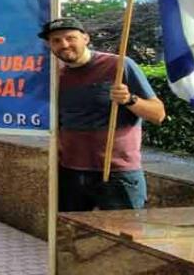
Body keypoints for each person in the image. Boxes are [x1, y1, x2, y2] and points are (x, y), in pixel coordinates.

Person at [38, 18, 165, 211]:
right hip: (70, 172)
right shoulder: (55, 77)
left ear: (86, 38)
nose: (64, 44)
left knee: (123, 236)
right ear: (50, 45)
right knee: (72, 236)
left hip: (117, 173)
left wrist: (130, 100)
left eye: (70, 38)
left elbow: (158, 114)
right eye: (56, 40)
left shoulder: (119, 65)